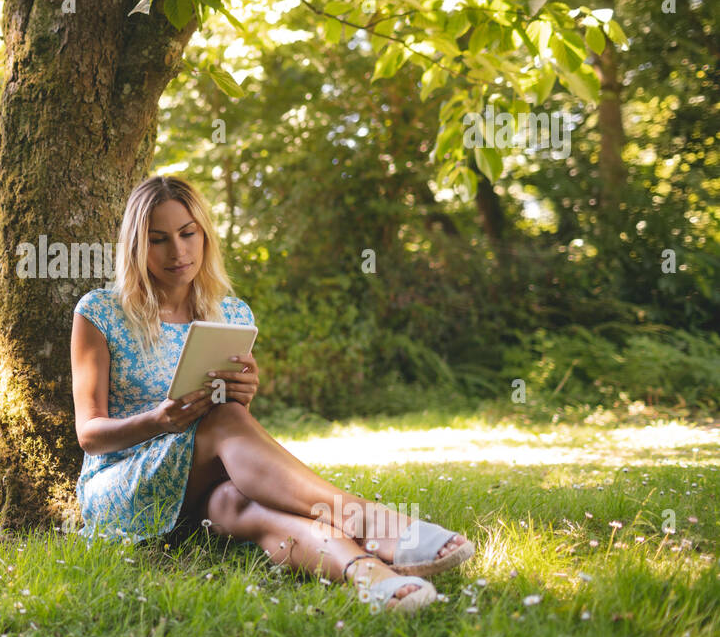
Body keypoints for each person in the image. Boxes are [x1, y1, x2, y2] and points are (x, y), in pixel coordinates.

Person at [69, 175, 474, 613]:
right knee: (224, 422)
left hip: (204, 490)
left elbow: (230, 427)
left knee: (243, 504)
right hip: (125, 486)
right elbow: (90, 434)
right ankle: (371, 519)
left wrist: (241, 394)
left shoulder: (231, 313)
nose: (178, 251)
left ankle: (369, 576)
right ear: (135, 246)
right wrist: (160, 420)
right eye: (158, 239)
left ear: (204, 234)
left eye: (188, 234)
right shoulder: (100, 311)